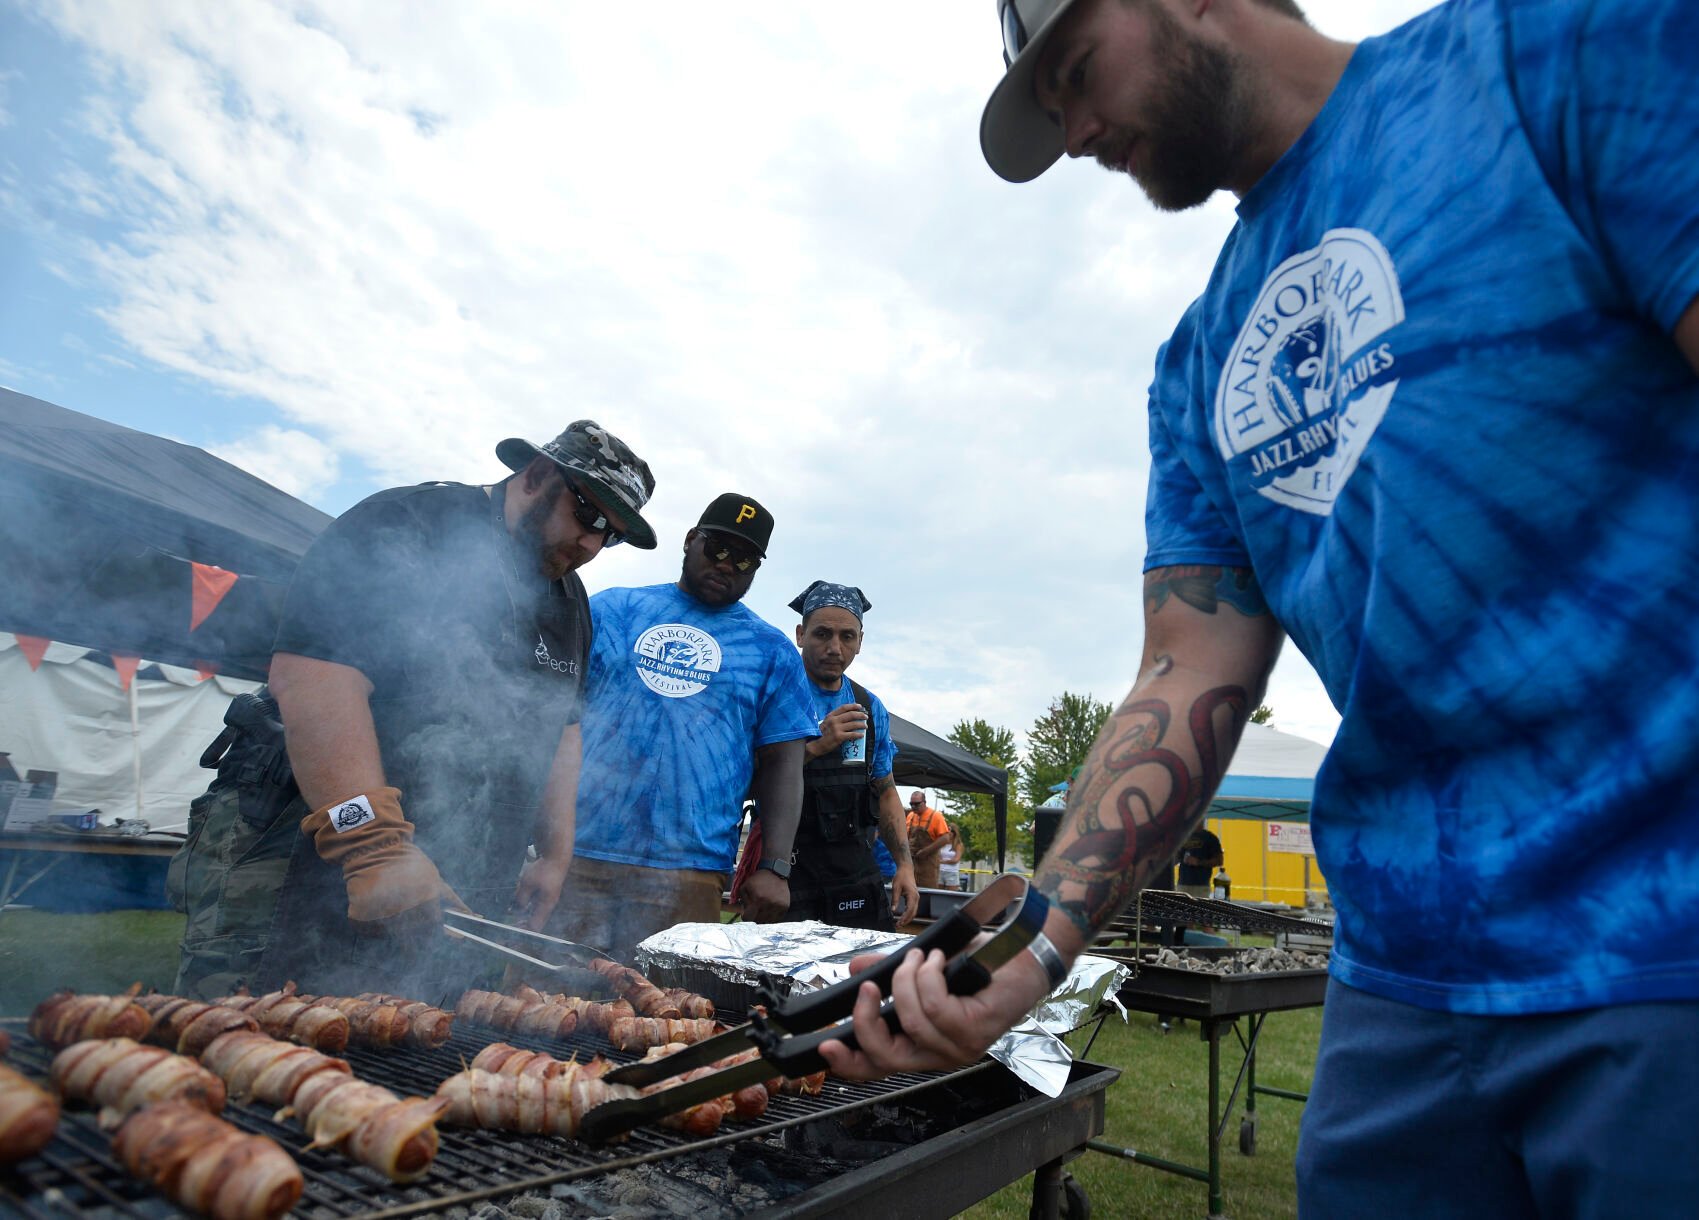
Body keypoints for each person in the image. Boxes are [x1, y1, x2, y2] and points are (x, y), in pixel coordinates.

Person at [823, 0, 1699, 1214]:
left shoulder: (1551, 55)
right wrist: (1035, 943)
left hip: (1664, 951)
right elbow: (1185, 670)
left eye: (1074, 72)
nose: (1073, 132)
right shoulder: (1198, 360)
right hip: (1399, 985)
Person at [171, 421, 656, 999]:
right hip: (304, 839)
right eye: (589, 515)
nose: (593, 545)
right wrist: (374, 847)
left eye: (613, 535)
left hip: (451, 866)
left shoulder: (568, 600)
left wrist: (553, 856)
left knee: (410, 1042)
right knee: (255, 1028)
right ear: (537, 475)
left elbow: (563, 730)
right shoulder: (405, 524)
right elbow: (315, 678)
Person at [545, 494, 817, 961]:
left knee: (669, 1019)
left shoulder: (771, 650)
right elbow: (552, 722)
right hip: (577, 853)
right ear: (691, 540)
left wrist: (774, 866)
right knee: (538, 1007)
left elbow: (784, 764)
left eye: (745, 559)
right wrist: (543, 839)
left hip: (690, 871)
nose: (728, 565)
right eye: (718, 548)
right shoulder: (611, 611)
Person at [783, 581, 919, 931]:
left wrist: (905, 866)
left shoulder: (870, 708)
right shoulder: (777, 696)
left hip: (854, 873)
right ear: (800, 634)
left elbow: (886, 790)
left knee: (867, 981)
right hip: (786, 874)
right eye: (822, 634)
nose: (834, 647)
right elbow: (749, 781)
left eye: (847, 636)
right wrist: (817, 746)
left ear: (860, 641)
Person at [904, 791, 951, 889]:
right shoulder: (910, 816)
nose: (914, 806)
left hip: (928, 864)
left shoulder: (936, 816)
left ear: (924, 802)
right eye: (911, 804)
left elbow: (946, 838)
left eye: (917, 804)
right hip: (911, 863)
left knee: (927, 893)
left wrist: (926, 851)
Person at [1175, 825, 1223, 898]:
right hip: (1182, 885)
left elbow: (1219, 860)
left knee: (1199, 908)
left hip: (1201, 886)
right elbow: (1176, 858)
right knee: (1181, 908)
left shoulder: (1210, 838)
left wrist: (1198, 862)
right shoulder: (1183, 836)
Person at [937, 823, 964, 891]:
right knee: (938, 893)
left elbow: (955, 860)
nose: (948, 832)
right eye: (946, 830)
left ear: (954, 833)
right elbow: (938, 857)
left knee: (951, 894)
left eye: (950, 830)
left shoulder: (958, 845)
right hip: (940, 871)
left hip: (952, 872)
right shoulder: (942, 844)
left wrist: (942, 861)